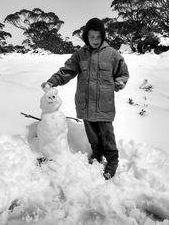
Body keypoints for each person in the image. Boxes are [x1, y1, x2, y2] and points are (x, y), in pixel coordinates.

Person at [41, 18, 129, 180]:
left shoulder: (112, 55)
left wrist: (120, 82)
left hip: (104, 104)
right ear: (86, 37)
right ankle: (97, 153)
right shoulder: (79, 55)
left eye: (98, 36)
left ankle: (112, 160)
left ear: (102, 36)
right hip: (85, 103)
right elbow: (66, 71)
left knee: (107, 134)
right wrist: (52, 81)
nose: (95, 40)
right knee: (92, 134)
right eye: (91, 37)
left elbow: (122, 73)